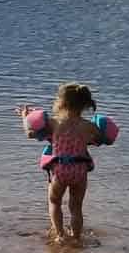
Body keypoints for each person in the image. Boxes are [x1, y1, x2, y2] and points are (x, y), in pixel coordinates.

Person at [17, 83, 119, 240]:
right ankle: (76, 237)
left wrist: (25, 118)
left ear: (61, 102)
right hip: (80, 171)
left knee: (55, 202)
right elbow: (102, 140)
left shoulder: (54, 123)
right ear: (84, 104)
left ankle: (60, 235)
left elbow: (31, 133)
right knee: (76, 207)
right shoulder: (89, 126)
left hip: (60, 170)